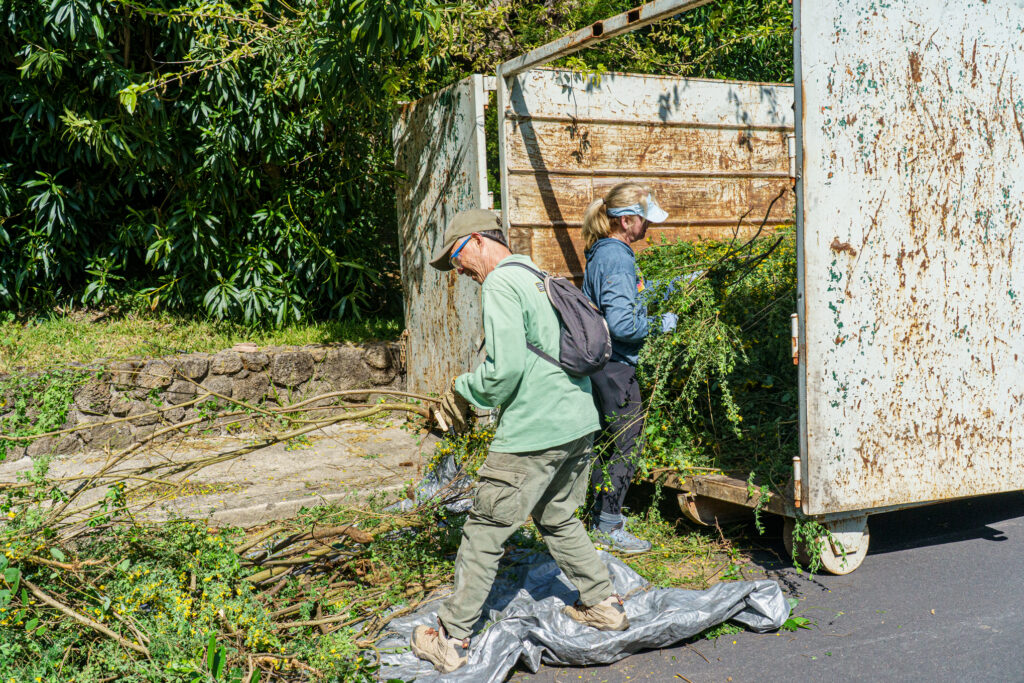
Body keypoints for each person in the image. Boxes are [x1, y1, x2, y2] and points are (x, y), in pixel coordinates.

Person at [411, 209, 630, 674]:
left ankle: (450, 638)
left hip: (535, 430)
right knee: (557, 515)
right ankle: (603, 604)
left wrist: (461, 390)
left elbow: (504, 374)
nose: (458, 271)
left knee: (484, 531)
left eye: (456, 258)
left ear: (477, 240)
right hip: (578, 421)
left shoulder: (500, 284)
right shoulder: (536, 275)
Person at [580, 182, 671, 555]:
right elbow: (622, 325)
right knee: (627, 444)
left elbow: (624, 298)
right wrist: (662, 324)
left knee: (607, 442)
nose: (648, 226)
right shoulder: (617, 257)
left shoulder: (604, 251)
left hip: (603, 366)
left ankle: (599, 515)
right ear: (627, 220)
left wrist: (666, 288)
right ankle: (609, 526)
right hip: (616, 366)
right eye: (644, 220)